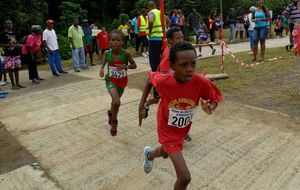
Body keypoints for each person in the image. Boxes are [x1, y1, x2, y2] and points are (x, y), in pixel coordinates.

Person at [138, 41, 222, 190]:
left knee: (165, 152)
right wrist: (142, 104)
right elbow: (150, 79)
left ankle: (149, 155)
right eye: (183, 65)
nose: (189, 69)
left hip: (182, 129)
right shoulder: (164, 81)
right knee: (184, 178)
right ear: (172, 66)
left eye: (193, 64)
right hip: (166, 127)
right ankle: (152, 154)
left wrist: (210, 107)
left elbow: (214, 98)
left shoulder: (200, 82)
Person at [99, 30, 137, 136]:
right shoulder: (107, 53)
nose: (115, 42)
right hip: (110, 80)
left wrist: (125, 66)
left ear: (122, 42)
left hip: (122, 82)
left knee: (115, 103)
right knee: (116, 102)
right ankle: (114, 122)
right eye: (113, 40)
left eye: (118, 40)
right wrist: (101, 69)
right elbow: (104, 62)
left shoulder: (126, 54)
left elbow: (134, 65)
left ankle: (111, 113)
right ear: (109, 42)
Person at [0, 20, 25, 89]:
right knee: (10, 69)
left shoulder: (15, 33)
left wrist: (19, 45)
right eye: (8, 23)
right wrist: (10, 45)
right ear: (5, 25)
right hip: (8, 54)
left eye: (11, 23)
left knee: (17, 68)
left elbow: (17, 42)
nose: (10, 24)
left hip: (16, 53)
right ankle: (13, 85)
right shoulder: (2, 34)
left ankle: (17, 84)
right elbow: (1, 44)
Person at [147, 1, 163, 71]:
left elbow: (150, 21)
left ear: (149, 6)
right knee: (160, 57)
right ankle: (160, 71)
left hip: (153, 39)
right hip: (161, 39)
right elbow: (168, 21)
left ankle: (155, 74)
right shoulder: (160, 12)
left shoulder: (151, 12)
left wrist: (150, 32)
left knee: (153, 59)